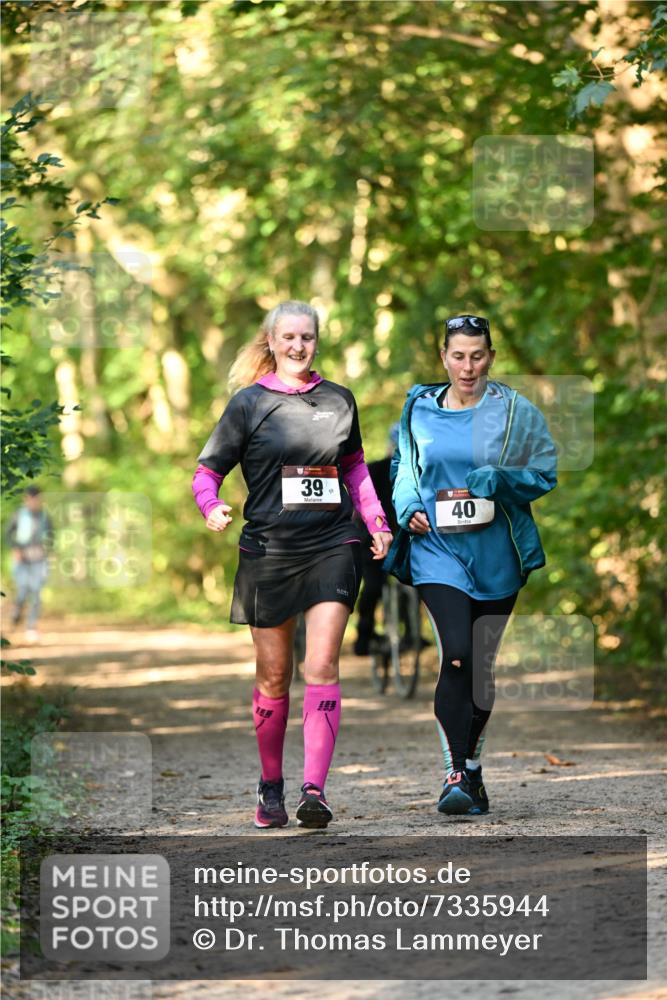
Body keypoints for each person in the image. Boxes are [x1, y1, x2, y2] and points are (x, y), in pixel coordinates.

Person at [192, 300, 392, 830]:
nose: (298, 346)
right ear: (272, 342)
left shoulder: (339, 400)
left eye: (307, 337)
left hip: (333, 542)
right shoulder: (248, 404)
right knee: (274, 676)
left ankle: (315, 790)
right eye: (288, 338)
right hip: (269, 551)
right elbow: (207, 471)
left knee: (322, 665)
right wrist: (211, 506)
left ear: (316, 341)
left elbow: (354, 470)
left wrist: (376, 521)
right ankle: (271, 783)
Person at [389, 314, 557, 816]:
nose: (467, 366)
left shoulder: (513, 411)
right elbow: (404, 467)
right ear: (444, 356)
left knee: (480, 669)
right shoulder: (419, 408)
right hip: (436, 550)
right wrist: (407, 507)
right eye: (458, 356)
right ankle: (454, 774)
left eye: (477, 355)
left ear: (491, 357)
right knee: (457, 652)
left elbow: (544, 472)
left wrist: (501, 480)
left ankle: (474, 769)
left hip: (497, 554)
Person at [353, 424, 400, 656]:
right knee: (373, 586)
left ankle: (411, 634)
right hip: (372, 538)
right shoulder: (374, 471)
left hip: (405, 539)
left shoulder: (418, 472)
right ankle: (364, 634)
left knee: (415, 587)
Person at [6, 485, 53, 644]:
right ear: (26, 499)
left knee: (37, 592)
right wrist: (15, 549)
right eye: (32, 499)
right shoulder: (18, 515)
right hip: (22, 560)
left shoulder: (45, 517)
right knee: (23, 590)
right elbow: (8, 535)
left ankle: (31, 627)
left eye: (37, 499)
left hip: (39, 560)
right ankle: (16, 613)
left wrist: (49, 551)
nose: (34, 502)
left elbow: (51, 537)